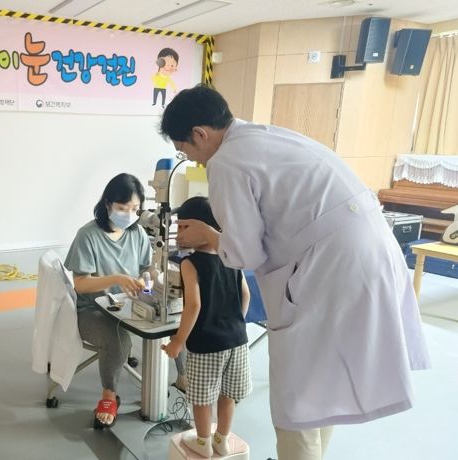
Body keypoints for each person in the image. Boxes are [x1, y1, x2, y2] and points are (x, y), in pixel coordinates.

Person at [159, 85, 431, 460]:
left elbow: (244, 253)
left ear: (200, 134)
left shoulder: (226, 162)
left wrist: (208, 235)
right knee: (322, 387)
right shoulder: (267, 135)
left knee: (297, 402)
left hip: (331, 266)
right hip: (371, 250)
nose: (191, 159)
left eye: (184, 149)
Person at [162, 196, 251, 458]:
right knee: (227, 394)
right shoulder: (230, 257)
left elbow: (193, 305)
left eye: (185, 226)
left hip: (206, 345)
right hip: (237, 340)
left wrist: (178, 341)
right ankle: (221, 439)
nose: (179, 233)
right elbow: (245, 295)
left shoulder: (190, 263)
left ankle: (203, 441)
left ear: (204, 228)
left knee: (202, 398)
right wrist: (233, 324)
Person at [64, 173, 151, 428]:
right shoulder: (88, 235)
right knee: (119, 340)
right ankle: (109, 396)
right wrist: (116, 278)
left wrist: (146, 278)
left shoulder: (137, 233)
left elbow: (149, 267)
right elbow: (81, 284)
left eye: (135, 209)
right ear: (108, 204)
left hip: (127, 306)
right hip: (92, 312)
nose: (129, 214)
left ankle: (183, 378)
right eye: (123, 208)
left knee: (175, 321)